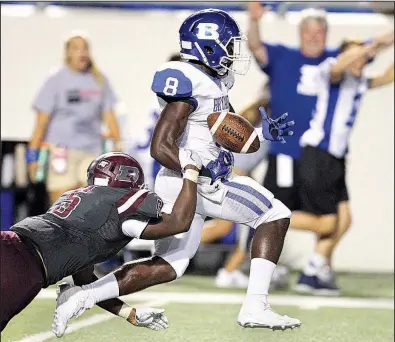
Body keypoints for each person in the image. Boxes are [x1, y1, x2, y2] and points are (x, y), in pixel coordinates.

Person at [54, 9, 300, 331]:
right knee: (274, 214)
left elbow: (220, 127)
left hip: (184, 181)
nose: (232, 52)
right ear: (207, 46)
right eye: (228, 44)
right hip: (198, 182)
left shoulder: (213, 81)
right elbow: (161, 146)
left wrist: (259, 134)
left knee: (169, 265)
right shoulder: (186, 81)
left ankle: (81, 296)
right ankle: (256, 305)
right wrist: (198, 170)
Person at [1, 150, 205, 332]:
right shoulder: (123, 199)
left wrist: (128, 313)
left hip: (9, 243)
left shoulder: (79, 200)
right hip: (23, 268)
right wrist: (191, 171)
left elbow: (83, 280)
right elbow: (180, 222)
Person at [295, 35, 394, 294]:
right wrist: (371, 46)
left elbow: (386, 77)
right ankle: (265, 220)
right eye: (356, 54)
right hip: (319, 154)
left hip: (336, 158)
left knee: (344, 220)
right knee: (327, 223)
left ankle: (313, 270)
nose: (361, 59)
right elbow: (341, 65)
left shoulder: (359, 81)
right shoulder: (331, 71)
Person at [28, 31, 121, 205]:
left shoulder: (99, 80)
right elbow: (41, 122)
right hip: (62, 150)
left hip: (91, 150)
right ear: (68, 53)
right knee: (61, 201)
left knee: (87, 202)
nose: (82, 53)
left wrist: (119, 148)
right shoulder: (56, 79)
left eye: (85, 48)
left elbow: (109, 116)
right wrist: (32, 157)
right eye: (77, 48)